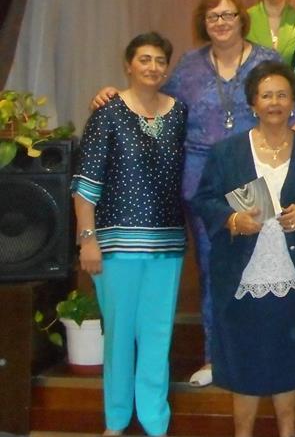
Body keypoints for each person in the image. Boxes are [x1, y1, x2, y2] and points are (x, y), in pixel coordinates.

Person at [90, 0, 295, 387]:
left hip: (253, 172)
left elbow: (291, 110)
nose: (222, 23)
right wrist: (111, 94)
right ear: (204, 23)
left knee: (260, 261)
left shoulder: (266, 59)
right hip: (203, 181)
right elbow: (155, 99)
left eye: (229, 15)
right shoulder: (189, 66)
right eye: (213, 17)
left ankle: (262, 351)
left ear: (241, 20)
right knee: (215, 268)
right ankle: (217, 356)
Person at [190, 61, 295, 437]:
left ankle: (289, 432)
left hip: (293, 275)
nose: (275, 102)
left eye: (282, 95)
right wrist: (232, 221)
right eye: (266, 95)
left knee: (289, 361)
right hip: (241, 275)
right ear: (253, 103)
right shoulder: (228, 152)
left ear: (292, 102)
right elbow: (204, 199)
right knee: (242, 364)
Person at [72, 32, 187, 437]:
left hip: (168, 246)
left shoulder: (179, 114)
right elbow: (86, 185)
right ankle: (116, 422)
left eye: (160, 60)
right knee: (119, 339)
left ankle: (156, 422)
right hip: (115, 248)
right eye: (144, 59)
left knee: (157, 338)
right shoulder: (108, 113)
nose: (152, 67)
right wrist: (88, 239)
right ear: (128, 64)